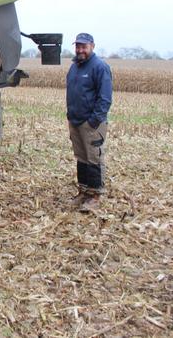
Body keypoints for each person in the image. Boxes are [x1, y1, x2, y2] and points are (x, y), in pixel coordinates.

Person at [66, 33, 112, 212]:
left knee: (94, 158)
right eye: (78, 46)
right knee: (82, 158)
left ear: (92, 46)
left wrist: (94, 120)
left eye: (84, 46)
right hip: (75, 121)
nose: (80, 50)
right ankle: (83, 192)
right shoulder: (74, 67)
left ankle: (95, 196)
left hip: (91, 123)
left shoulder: (100, 67)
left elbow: (105, 98)